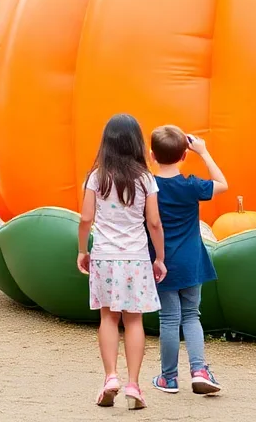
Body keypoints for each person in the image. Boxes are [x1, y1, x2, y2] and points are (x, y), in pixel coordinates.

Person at [76, 114, 165, 409]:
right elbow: (153, 222)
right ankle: (134, 385)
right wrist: (160, 257)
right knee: (134, 319)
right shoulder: (145, 178)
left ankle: (110, 376)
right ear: (136, 143)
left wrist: (81, 250)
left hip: (104, 256)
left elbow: (86, 217)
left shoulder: (96, 177)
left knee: (108, 317)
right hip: (136, 257)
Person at [148, 126, 228, 396]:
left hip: (162, 263)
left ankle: (168, 378)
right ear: (184, 155)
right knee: (192, 316)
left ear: (151, 155)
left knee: (169, 318)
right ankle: (199, 370)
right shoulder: (191, 185)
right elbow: (222, 184)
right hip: (191, 261)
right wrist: (204, 153)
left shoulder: (149, 187)